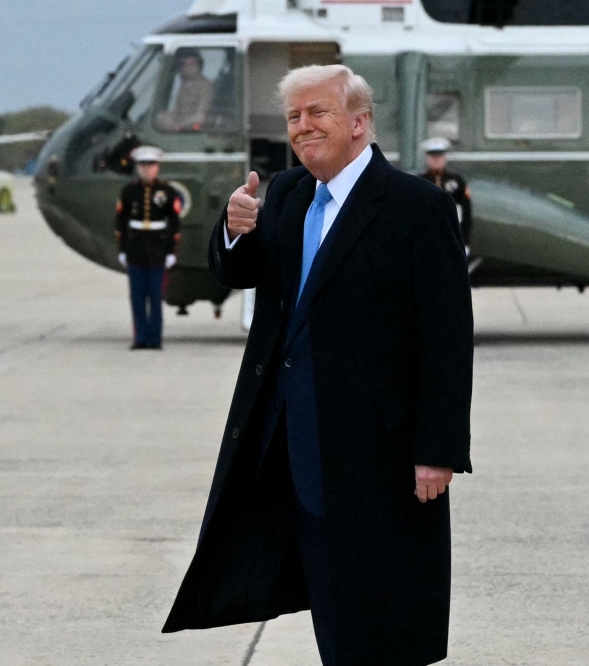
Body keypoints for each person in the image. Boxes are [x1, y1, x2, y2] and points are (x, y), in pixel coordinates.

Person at [163, 65, 473, 666]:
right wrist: (233, 231)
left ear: (359, 123)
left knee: (381, 604)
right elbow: (244, 273)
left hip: (376, 449)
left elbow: (446, 340)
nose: (302, 127)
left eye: (318, 113)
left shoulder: (417, 207)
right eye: (294, 117)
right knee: (328, 596)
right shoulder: (285, 194)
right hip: (288, 440)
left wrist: (437, 448)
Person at [114, 146, 181, 350]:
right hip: (135, 251)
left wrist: (171, 252)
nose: (147, 169)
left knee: (155, 297)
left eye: (150, 165)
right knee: (137, 298)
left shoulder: (166, 191)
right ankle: (140, 338)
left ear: (157, 167)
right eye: (143, 165)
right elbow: (121, 223)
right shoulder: (129, 191)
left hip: (158, 252)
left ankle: (155, 337)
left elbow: (174, 224)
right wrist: (123, 250)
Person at [418, 136, 473, 250]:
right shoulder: (419, 181)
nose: (436, 159)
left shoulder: (457, 181)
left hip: (452, 235)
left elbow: (466, 213)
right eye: (433, 156)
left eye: (440, 155)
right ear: (427, 158)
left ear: (445, 157)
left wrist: (465, 241)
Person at [155, 49, 214, 132]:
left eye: (192, 64)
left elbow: (200, 117)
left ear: (199, 66)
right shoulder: (184, 84)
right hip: (180, 125)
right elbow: (178, 111)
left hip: (193, 130)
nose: (188, 68)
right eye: (184, 64)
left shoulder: (205, 86)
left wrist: (178, 126)